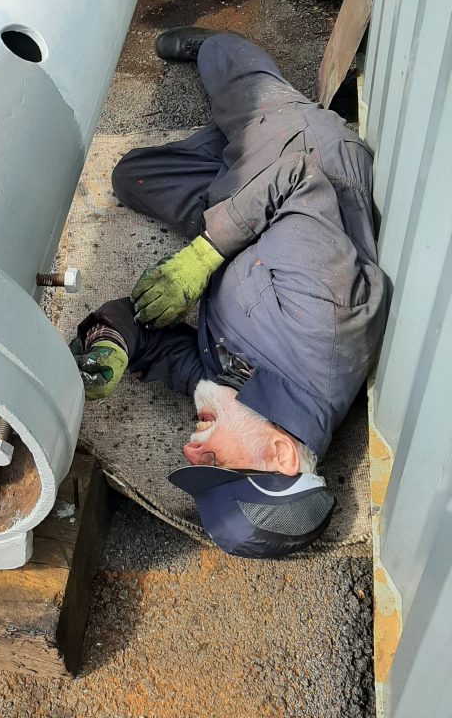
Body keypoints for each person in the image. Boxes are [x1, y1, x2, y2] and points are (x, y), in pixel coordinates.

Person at [71, 30, 387, 558]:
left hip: (243, 216)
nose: (192, 449)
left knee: (132, 177)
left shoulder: (245, 402)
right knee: (231, 70)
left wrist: (111, 341)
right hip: (301, 151)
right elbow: (299, 176)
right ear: (282, 455)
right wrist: (204, 254)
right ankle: (218, 57)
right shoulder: (324, 322)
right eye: (215, 465)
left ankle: (221, 148)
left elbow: (157, 347)